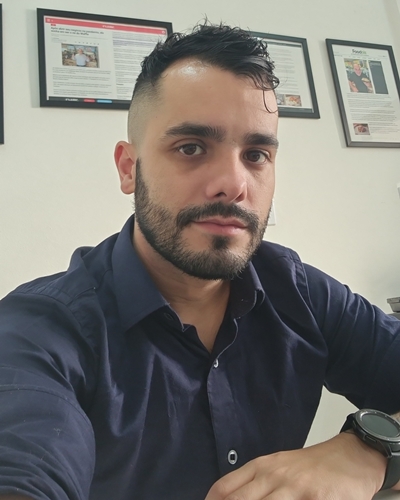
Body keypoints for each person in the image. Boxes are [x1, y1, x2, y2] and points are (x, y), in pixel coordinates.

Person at [0, 22, 399, 500]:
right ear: (129, 168)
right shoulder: (39, 330)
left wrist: (370, 450)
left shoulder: (298, 291)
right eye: (191, 148)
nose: (233, 183)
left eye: (256, 154)